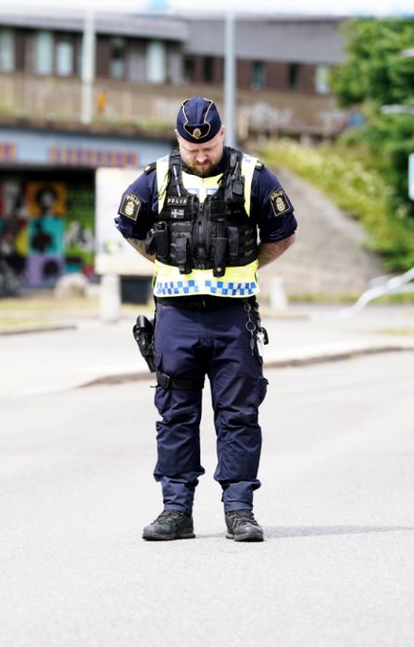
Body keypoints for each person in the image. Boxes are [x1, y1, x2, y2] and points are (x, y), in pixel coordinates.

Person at [115, 96, 297, 542]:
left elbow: (283, 234)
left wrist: (247, 268)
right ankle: (176, 511)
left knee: (238, 414)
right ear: (178, 139)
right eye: (190, 147)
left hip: (232, 315)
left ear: (221, 137)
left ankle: (240, 510)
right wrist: (165, 259)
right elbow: (129, 226)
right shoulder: (156, 176)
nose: (199, 155)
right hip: (176, 315)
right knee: (175, 413)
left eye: (208, 147)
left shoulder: (254, 176)